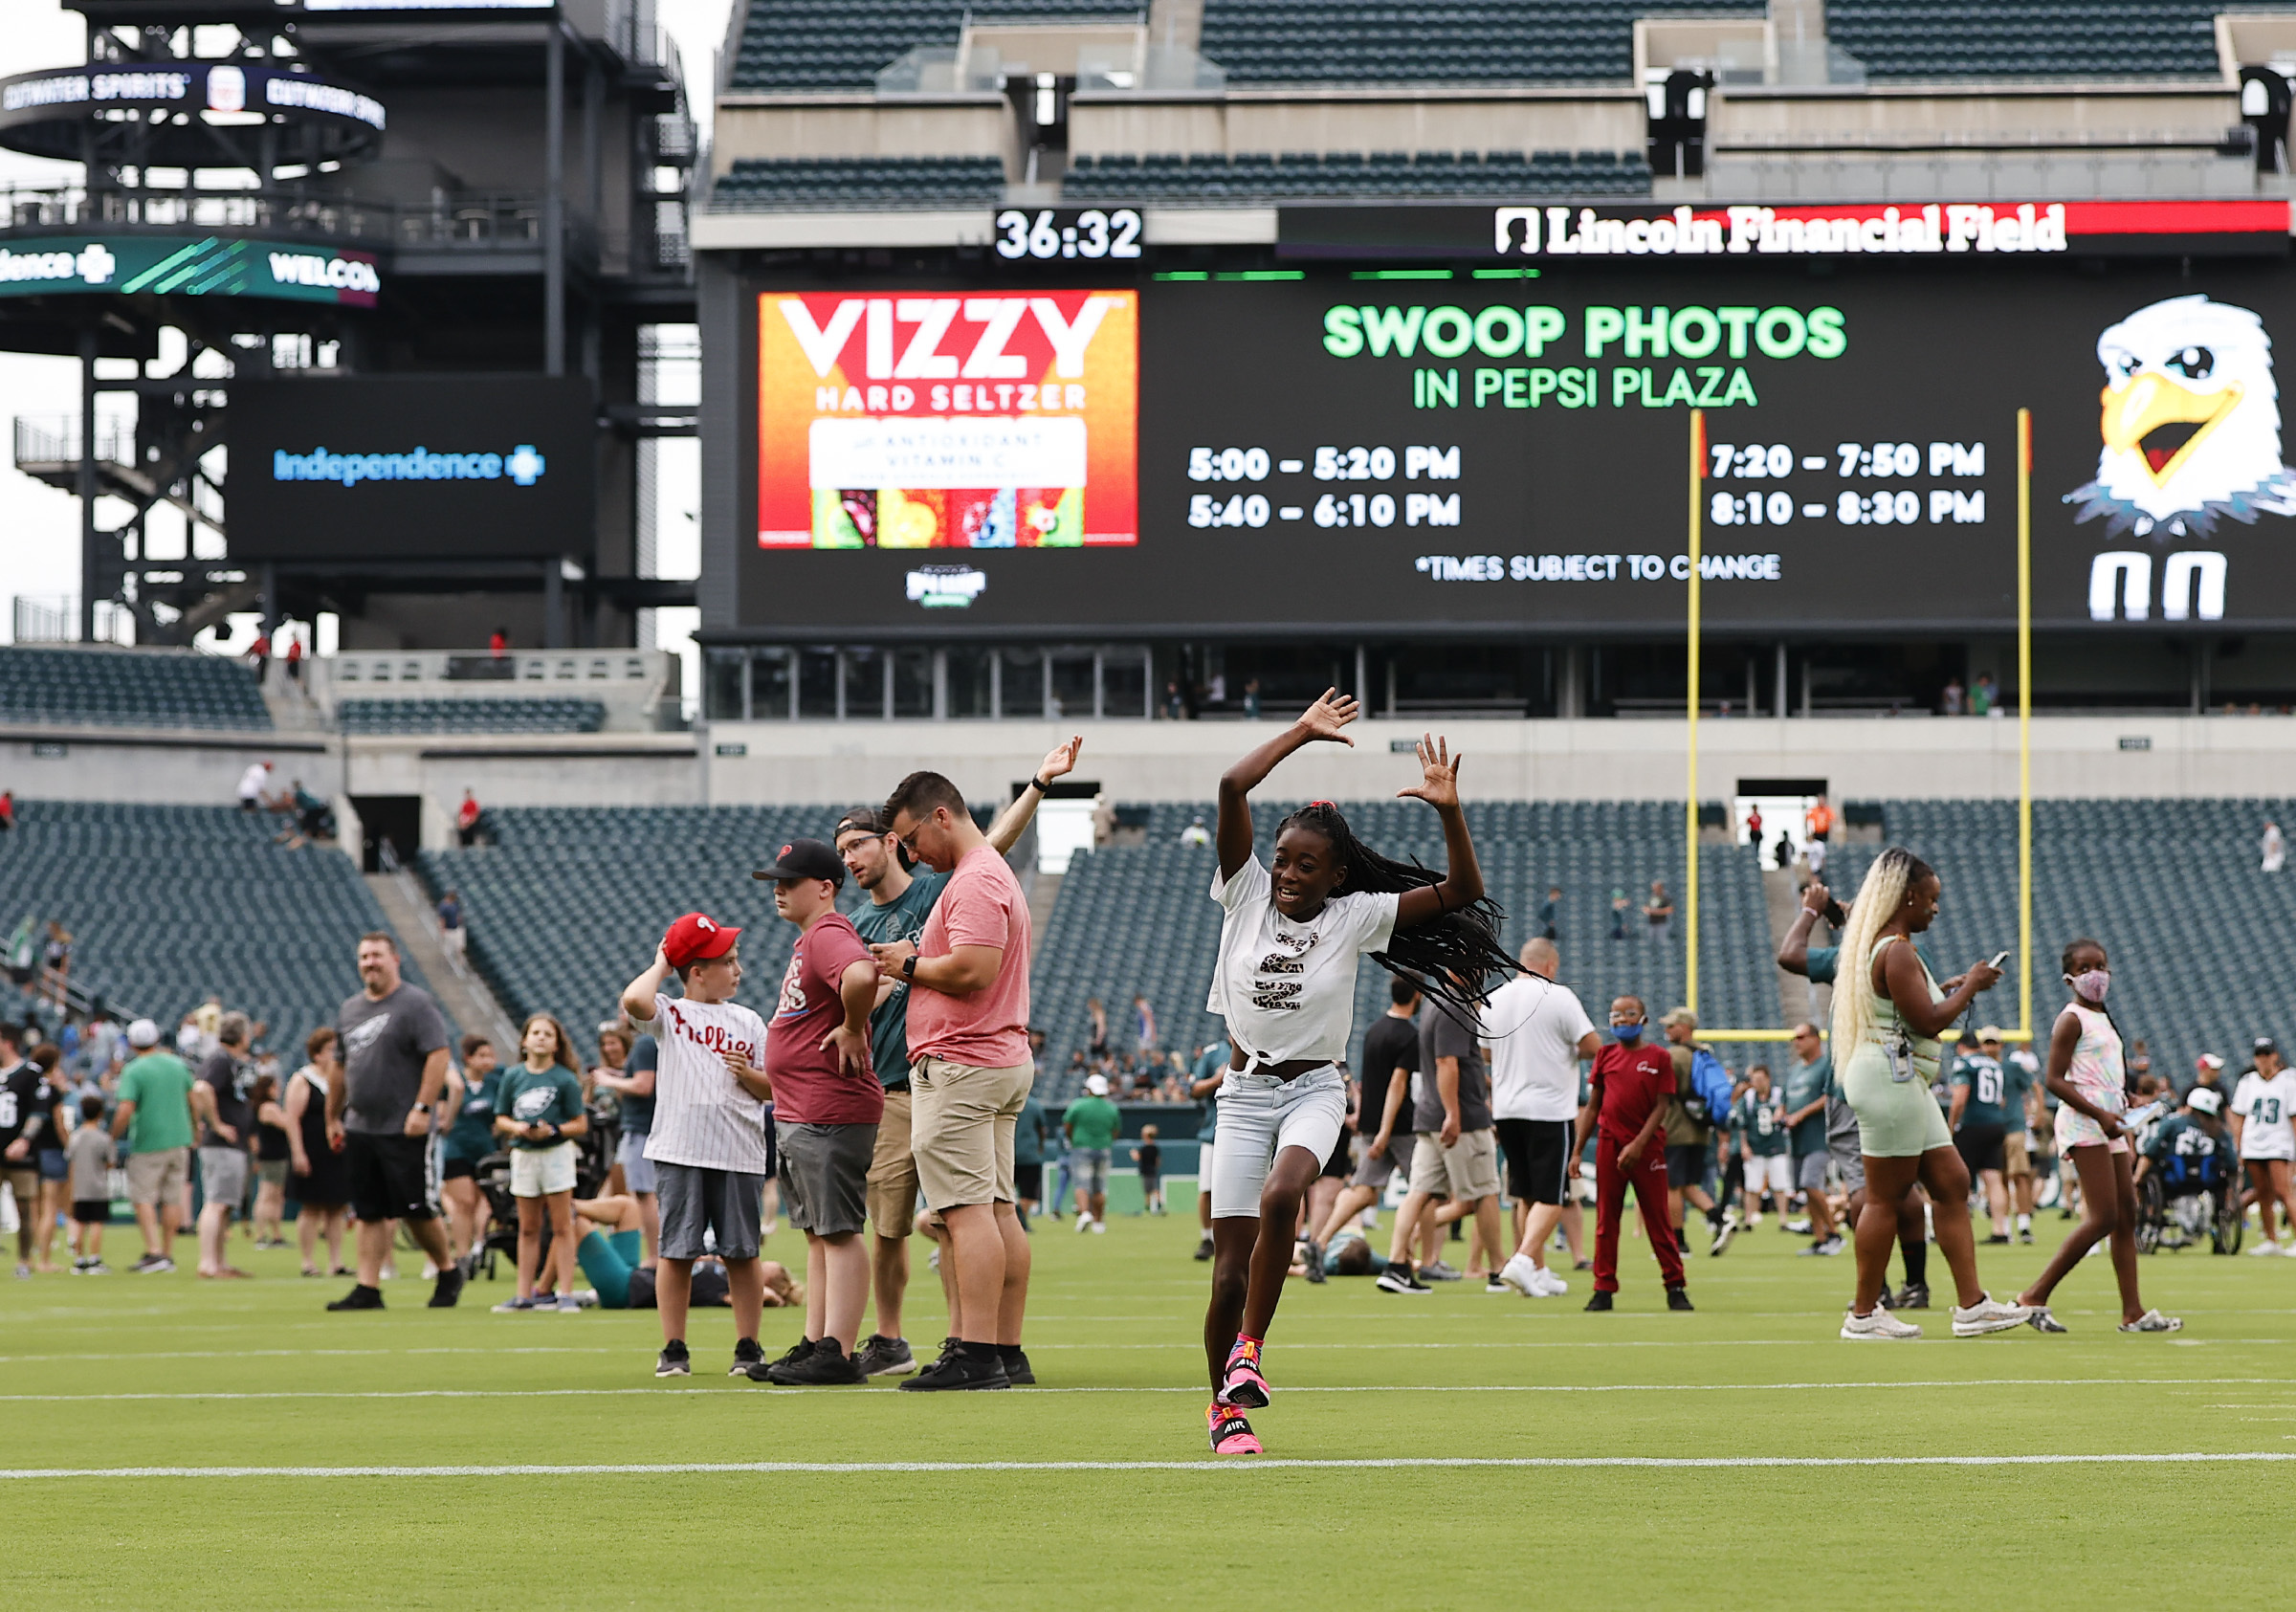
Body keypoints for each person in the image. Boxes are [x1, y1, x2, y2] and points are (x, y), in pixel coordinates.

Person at [1188, 690, 1509, 1453]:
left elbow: (1463, 892)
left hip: (1312, 1089)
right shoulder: (1244, 895)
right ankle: (1223, 1409)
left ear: (1337, 877)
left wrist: (1448, 810)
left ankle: (1251, 1353)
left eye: (1307, 865)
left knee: (1285, 1191)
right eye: (1283, 859)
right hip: (1243, 1094)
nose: (1290, 873)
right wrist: (1302, 731)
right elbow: (1233, 787)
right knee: (1226, 1274)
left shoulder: (1355, 915)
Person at [831, 749, 1071, 1380]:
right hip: (995, 1057)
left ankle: (975, 1351)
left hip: (962, 1062)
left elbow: (973, 969)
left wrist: (905, 964)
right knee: (994, 1209)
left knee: (964, 1214)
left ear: (940, 816)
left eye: (911, 839)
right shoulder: (986, 871)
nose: (913, 854)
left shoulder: (972, 879)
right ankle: (1005, 1350)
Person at [1828, 848, 2029, 1339]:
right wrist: (1973, 986)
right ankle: (1862, 1313)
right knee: (1884, 1197)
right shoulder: (1895, 949)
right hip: (1890, 1081)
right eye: (1931, 900)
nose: (1935, 910)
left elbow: (1912, 1005)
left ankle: (1972, 1305)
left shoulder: (1882, 946)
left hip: (1902, 1081)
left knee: (1952, 1181)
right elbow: (1928, 1021)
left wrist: (1952, 986)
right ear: (1908, 896)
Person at [748, 837, 882, 1385]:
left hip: (830, 1107)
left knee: (839, 1231)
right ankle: (816, 1340)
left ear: (825, 888)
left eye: (790, 881)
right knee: (817, 1233)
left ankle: (839, 1352)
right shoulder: (813, 937)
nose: (778, 890)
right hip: (804, 1109)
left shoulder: (828, 933)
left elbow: (862, 976)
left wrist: (852, 1028)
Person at [620, 912, 776, 1380]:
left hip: (739, 1152)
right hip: (681, 1150)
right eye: (726, 961)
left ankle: (748, 1345)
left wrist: (749, 1076)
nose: (737, 969)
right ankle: (674, 1347)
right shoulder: (669, 1012)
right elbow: (634, 998)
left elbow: (775, 1087)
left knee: (742, 1252)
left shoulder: (748, 1020)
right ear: (697, 972)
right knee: (677, 1251)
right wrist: (663, 960)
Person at [2012, 940, 2180, 1333]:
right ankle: (2033, 1296)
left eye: (2101, 965)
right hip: (2086, 1122)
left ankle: (2133, 1312)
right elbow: (2054, 1079)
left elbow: (2101, 1074)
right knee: (2104, 1215)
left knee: (2126, 1214)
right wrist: (2100, 1113)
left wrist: (2126, 1099)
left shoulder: (2102, 1016)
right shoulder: (2071, 1018)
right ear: (2069, 977)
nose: (2096, 974)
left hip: (2109, 1121)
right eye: (2086, 967)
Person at [324, 932, 463, 1312]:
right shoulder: (350, 1009)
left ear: (394, 959)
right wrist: (332, 1116)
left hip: (405, 1126)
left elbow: (438, 1055)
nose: (369, 962)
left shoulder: (416, 1004)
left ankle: (448, 1270)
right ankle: (368, 1287)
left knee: (415, 1209)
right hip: (361, 1125)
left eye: (376, 955)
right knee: (368, 1210)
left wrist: (422, 1108)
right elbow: (338, 1066)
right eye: (364, 956)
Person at [1483, 939, 1600, 1297]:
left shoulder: (1496, 997)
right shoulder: (1559, 996)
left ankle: (1537, 1270)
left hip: (1507, 1108)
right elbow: (1593, 1046)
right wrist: (1564, 1052)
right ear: (1550, 964)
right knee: (1553, 1195)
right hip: (1549, 1108)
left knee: (1525, 1192)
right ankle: (1522, 1259)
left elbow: (1485, 1052)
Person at [1390, 981, 1505, 1292]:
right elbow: (1447, 1062)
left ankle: (1396, 1265)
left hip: (1429, 1116)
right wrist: (1454, 1114)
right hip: (1459, 1118)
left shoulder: (1434, 1002)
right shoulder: (1457, 1004)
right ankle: (1498, 1271)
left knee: (1419, 1191)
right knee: (1484, 1192)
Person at [1578, 998, 1689, 1311]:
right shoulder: (1604, 1055)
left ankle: (1675, 1286)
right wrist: (1576, 1151)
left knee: (1658, 1219)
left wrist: (1638, 1144)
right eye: (1616, 1015)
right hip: (1609, 1147)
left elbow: (1662, 1105)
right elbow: (1594, 1105)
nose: (1623, 1020)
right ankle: (1603, 1288)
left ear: (1643, 1020)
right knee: (1606, 1220)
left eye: (1630, 1015)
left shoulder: (1658, 1057)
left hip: (1648, 1148)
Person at [490, 1014, 588, 1314]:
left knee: (561, 1225)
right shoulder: (513, 1076)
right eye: (536, 1032)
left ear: (557, 1043)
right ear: (524, 1040)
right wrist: (517, 1128)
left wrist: (554, 1130)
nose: (541, 1038)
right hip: (524, 1154)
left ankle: (566, 1293)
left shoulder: (564, 1079)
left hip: (555, 1154)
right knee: (528, 1227)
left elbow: (580, 1123)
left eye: (548, 1033)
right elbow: (501, 1116)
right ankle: (523, 1295)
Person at [1316, 979, 1419, 1266]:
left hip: (1371, 1124)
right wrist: (1386, 1132)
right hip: (1398, 1127)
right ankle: (1411, 1257)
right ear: (1417, 996)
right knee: (1425, 1191)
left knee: (1362, 1190)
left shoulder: (1374, 1030)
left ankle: (1320, 1242)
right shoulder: (1409, 1035)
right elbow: (1397, 1085)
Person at [110, 1018, 195, 1273]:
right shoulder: (178, 1065)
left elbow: (125, 1108)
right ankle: (168, 1253)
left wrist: (112, 1136)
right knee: (172, 1199)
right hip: (179, 1139)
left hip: (148, 1142)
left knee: (143, 1197)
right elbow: (193, 1098)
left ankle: (154, 1251)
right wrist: (194, 1128)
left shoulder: (134, 1070)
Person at [1659, 1007, 1733, 1255]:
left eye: (1671, 1026)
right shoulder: (1704, 1053)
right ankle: (1720, 1218)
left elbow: (1661, 1093)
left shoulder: (1676, 1055)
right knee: (1688, 1185)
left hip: (1676, 1129)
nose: (1666, 1030)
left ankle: (1678, 1243)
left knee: (1672, 1186)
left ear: (1685, 1027)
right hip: (1700, 1131)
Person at [188, 1012, 254, 1280]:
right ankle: (208, 1262)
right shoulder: (220, 1059)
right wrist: (216, 1124)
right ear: (242, 1036)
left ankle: (219, 1262)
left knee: (225, 1204)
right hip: (221, 1144)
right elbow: (201, 1088)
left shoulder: (231, 1061)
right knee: (216, 1202)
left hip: (231, 1145)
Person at [286, 1028, 351, 1277]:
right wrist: (298, 1152)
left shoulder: (341, 1079)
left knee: (337, 1207)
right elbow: (292, 1118)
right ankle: (308, 1261)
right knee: (311, 1207)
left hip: (337, 1149)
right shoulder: (303, 1079)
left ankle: (336, 1262)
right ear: (316, 1053)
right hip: (312, 1148)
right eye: (329, 1050)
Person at [592, 1026, 659, 1267]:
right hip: (628, 1135)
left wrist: (608, 1080)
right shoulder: (651, 1042)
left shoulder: (644, 1043)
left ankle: (654, 1257)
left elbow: (643, 1086)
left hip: (640, 1130)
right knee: (626, 1192)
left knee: (644, 1194)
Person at [440, 1034, 500, 1275]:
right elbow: (445, 1116)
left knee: (485, 1201)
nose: (487, 1061)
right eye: (481, 1056)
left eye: (490, 1056)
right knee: (463, 1202)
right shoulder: (454, 1084)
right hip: (458, 1149)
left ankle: (479, 1245)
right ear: (468, 1058)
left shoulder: (495, 1083)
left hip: (486, 1150)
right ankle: (462, 1255)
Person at [1946, 1030, 2013, 1243]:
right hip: (1996, 1123)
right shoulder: (1994, 1064)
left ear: (1960, 1047)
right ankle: (2000, 1230)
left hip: (1973, 1125)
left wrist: (1951, 1125)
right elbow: (2001, 1099)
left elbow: (1960, 1098)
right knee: (1993, 1179)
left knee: (1959, 1180)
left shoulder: (1964, 1063)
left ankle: (1959, 1231)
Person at [1, 1024, 56, 1277]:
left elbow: (38, 1111)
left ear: (8, 1043)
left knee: (25, 1208)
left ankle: (24, 1260)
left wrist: (24, 1140)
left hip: (20, 1154)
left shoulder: (31, 1074)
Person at [2233, 1035, 2296, 1255]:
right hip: (2253, 1143)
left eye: (2267, 1054)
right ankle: (2271, 1240)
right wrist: (2238, 1145)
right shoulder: (2248, 1082)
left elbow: (2294, 1117)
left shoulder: (2289, 1080)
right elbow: (2239, 1116)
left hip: (2279, 1143)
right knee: (2263, 1193)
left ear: (2275, 1056)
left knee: (2283, 1191)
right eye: (2259, 1055)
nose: (2263, 1059)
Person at [1733, 1065, 1793, 1226]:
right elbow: (1742, 1124)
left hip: (1776, 1146)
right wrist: (1744, 1146)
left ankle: (1783, 1220)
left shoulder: (1779, 1095)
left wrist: (1783, 1110)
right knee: (1751, 1186)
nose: (1757, 1083)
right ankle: (1748, 1220)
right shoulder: (1749, 1097)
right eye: (1754, 1080)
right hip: (1756, 1147)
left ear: (1768, 1079)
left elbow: (1789, 1112)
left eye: (1760, 1079)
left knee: (1780, 1185)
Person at [1064, 1073, 1121, 1230]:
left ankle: (1084, 1213)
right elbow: (1115, 1131)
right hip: (1103, 1148)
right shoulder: (1111, 1108)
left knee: (1081, 1184)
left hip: (1081, 1148)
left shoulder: (1078, 1105)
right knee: (1099, 1187)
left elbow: (1068, 1126)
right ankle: (1099, 1222)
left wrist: (1074, 1140)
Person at [65, 1094, 113, 1273]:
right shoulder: (103, 1138)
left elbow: (71, 1161)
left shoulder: (75, 1137)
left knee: (79, 1223)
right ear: (100, 1114)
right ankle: (94, 1258)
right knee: (96, 1223)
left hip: (80, 1187)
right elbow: (110, 1162)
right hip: (98, 1187)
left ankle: (79, 1259)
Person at [1189, 1038, 1227, 1260]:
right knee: (1207, 1189)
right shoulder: (1214, 1053)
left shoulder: (1260, 1044)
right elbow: (1194, 1089)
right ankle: (1207, 1237)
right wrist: (1217, 1080)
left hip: (1254, 1129)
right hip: (1215, 1131)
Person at [250, 1071, 292, 1250]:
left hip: (272, 1156)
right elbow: (287, 1124)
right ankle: (262, 1234)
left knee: (273, 1196)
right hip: (274, 1156)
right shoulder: (269, 1108)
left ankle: (274, 1233)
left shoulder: (262, 1107)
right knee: (268, 1195)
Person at [1134, 1125, 1164, 1214]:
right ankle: (1153, 1207)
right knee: (1153, 1189)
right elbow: (1158, 1161)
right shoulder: (1155, 1148)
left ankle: (1149, 1207)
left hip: (1146, 1171)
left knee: (1149, 1190)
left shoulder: (1144, 1148)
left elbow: (1138, 1157)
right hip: (1152, 1171)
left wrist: (1134, 1154)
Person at [437, 890, 467, 973]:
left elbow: (458, 914)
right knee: (448, 949)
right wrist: (442, 929)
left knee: (459, 946)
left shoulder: (455, 904)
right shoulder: (443, 906)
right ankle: (447, 964)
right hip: (449, 929)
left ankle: (460, 960)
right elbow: (442, 919)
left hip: (456, 928)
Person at [1643, 880, 1672, 945]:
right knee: (1650, 943)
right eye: (1653, 888)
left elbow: (1669, 909)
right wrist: (1651, 911)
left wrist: (1655, 911)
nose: (1654, 889)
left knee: (1662, 943)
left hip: (1662, 924)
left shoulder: (1666, 896)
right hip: (1651, 923)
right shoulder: (1651, 896)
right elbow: (1645, 908)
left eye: (1656, 888)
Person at [1132, 993, 1159, 1060]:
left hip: (1146, 1033)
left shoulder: (1144, 1006)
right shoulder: (1144, 1007)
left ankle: (1145, 1066)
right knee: (1147, 1051)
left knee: (1143, 1050)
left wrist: (1153, 1033)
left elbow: (1150, 1020)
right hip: (1145, 1032)